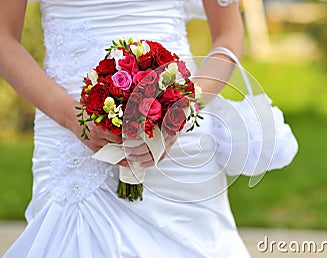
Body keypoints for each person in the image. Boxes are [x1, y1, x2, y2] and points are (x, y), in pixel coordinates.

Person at [0, 0, 252, 257]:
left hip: (176, 139)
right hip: (70, 137)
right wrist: (74, 119)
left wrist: (181, 107)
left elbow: (228, 34)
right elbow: (4, 38)